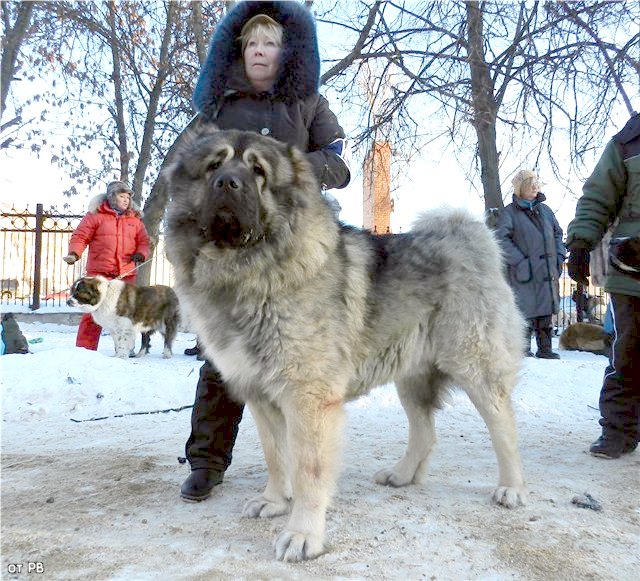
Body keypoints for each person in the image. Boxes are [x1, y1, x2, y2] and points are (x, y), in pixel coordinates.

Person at [177, 1, 351, 502]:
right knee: (223, 355)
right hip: (228, 249)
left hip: (294, 248)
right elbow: (189, 167)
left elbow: (339, 166)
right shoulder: (216, 108)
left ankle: (302, 468)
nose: (260, 51)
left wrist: (287, 169)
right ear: (240, 51)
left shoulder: (311, 105)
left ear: (286, 52)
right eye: (252, 43)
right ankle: (206, 462)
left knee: (296, 358)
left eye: (270, 43)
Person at [566, 112, 640, 459]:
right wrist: (581, 242)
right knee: (629, 351)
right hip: (634, 265)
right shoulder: (629, 140)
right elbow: (599, 193)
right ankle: (618, 429)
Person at [63, 181, 150, 351]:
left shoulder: (135, 219)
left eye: (128, 197)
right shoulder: (95, 215)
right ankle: (85, 349)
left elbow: (144, 241)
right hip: (99, 274)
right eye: (121, 196)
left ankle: (126, 347)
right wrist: (74, 253)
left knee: (125, 313)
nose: (125, 200)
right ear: (111, 197)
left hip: (126, 273)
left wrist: (141, 253)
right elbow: (80, 236)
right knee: (92, 313)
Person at [496, 169, 566, 359]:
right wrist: (520, 261)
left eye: (536, 182)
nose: (536, 186)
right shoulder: (509, 213)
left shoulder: (546, 210)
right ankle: (522, 349)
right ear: (521, 188)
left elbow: (558, 233)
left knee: (546, 308)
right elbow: (501, 239)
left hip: (547, 270)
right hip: (524, 271)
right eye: (530, 183)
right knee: (524, 309)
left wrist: (559, 255)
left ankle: (545, 348)